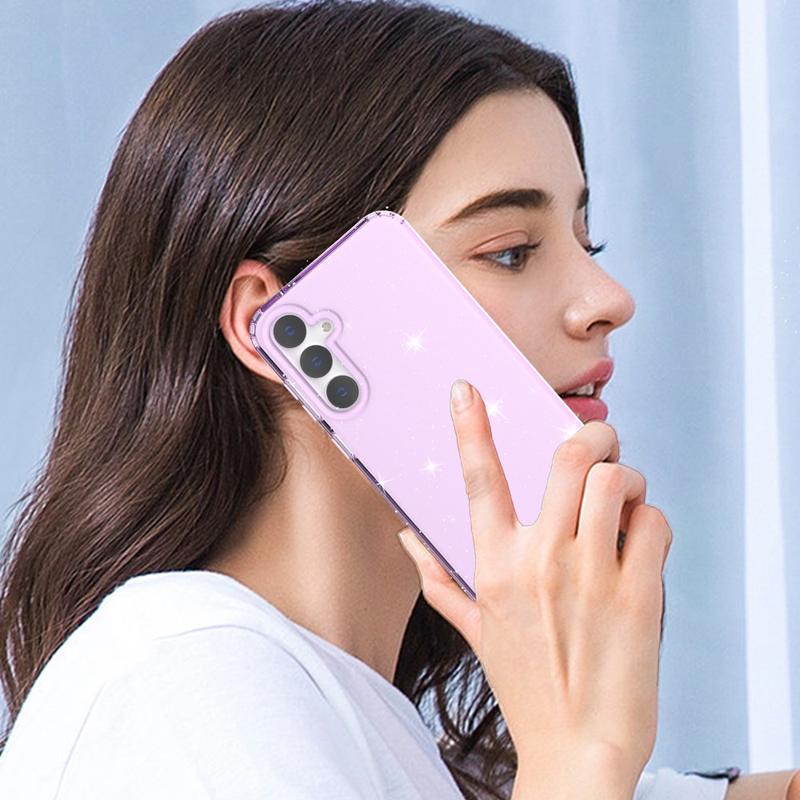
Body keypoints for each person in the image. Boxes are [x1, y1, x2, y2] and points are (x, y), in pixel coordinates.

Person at [0, 1, 797, 798]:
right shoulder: (180, 692)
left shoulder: (400, 747)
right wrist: (583, 755)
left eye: (586, 242)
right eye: (511, 252)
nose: (608, 299)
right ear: (278, 328)